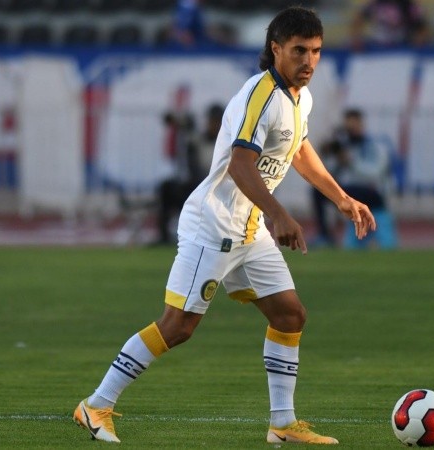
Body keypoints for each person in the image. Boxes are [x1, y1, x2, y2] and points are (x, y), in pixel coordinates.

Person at [73, 6, 376, 445]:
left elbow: (299, 149)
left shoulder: (299, 96)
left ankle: (283, 423)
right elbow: (240, 165)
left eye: (316, 52)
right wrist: (280, 214)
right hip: (212, 226)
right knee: (177, 327)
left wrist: (342, 198)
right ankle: (96, 404)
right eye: (299, 51)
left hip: (250, 232)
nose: (309, 62)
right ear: (276, 49)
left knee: (290, 314)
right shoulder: (262, 95)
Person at [312, 109, 397, 249]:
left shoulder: (374, 146)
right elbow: (329, 173)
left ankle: (327, 235)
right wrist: (326, 152)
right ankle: (325, 235)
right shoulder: (343, 146)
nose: (350, 131)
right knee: (319, 191)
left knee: (343, 191)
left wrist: (350, 162)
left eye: (353, 126)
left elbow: (375, 173)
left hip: (372, 192)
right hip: (351, 191)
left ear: (361, 124)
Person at [155, 103, 223, 245]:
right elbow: (187, 129)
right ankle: (164, 236)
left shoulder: (227, 143)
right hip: (197, 185)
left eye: (217, 121)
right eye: (212, 120)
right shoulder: (199, 140)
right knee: (167, 188)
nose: (214, 125)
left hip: (218, 188)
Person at [350, 0, 430, 50]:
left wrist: (419, 40)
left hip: (402, 47)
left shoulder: (408, 5)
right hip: (376, 47)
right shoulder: (377, 3)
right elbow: (358, 21)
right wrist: (356, 39)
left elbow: (422, 27)